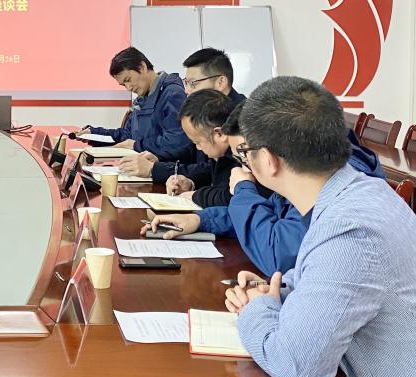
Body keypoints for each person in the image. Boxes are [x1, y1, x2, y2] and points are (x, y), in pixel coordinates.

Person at [220, 77, 416, 377]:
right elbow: (331, 273)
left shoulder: (349, 230)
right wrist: (276, 289)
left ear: (268, 160)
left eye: (245, 153)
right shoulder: (361, 191)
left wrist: (256, 308)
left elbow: (295, 366)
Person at [148, 99, 385, 276]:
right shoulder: (305, 169)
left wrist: (243, 189)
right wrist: (201, 220)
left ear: (267, 153)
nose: (245, 167)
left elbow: (278, 256)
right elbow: (272, 212)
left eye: (243, 156)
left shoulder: (331, 186)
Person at [119, 47, 245, 181]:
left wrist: (155, 169)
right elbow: (191, 151)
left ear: (220, 82)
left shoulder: (240, 121)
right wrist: (159, 158)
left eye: (193, 84)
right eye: (186, 83)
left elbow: (211, 172)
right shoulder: (210, 110)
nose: (186, 90)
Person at [78, 47, 190, 161]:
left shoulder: (172, 94)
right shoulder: (140, 101)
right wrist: (93, 134)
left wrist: (136, 145)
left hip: (165, 168)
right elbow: (127, 136)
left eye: (128, 79)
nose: (128, 88)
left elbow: (177, 141)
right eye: (123, 85)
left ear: (142, 67)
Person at [166, 89, 240, 208]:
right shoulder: (220, 152)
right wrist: (190, 184)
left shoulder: (241, 156)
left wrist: (195, 196)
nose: (198, 148)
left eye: (198, 142)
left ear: (220, 134)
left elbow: (229, 197)